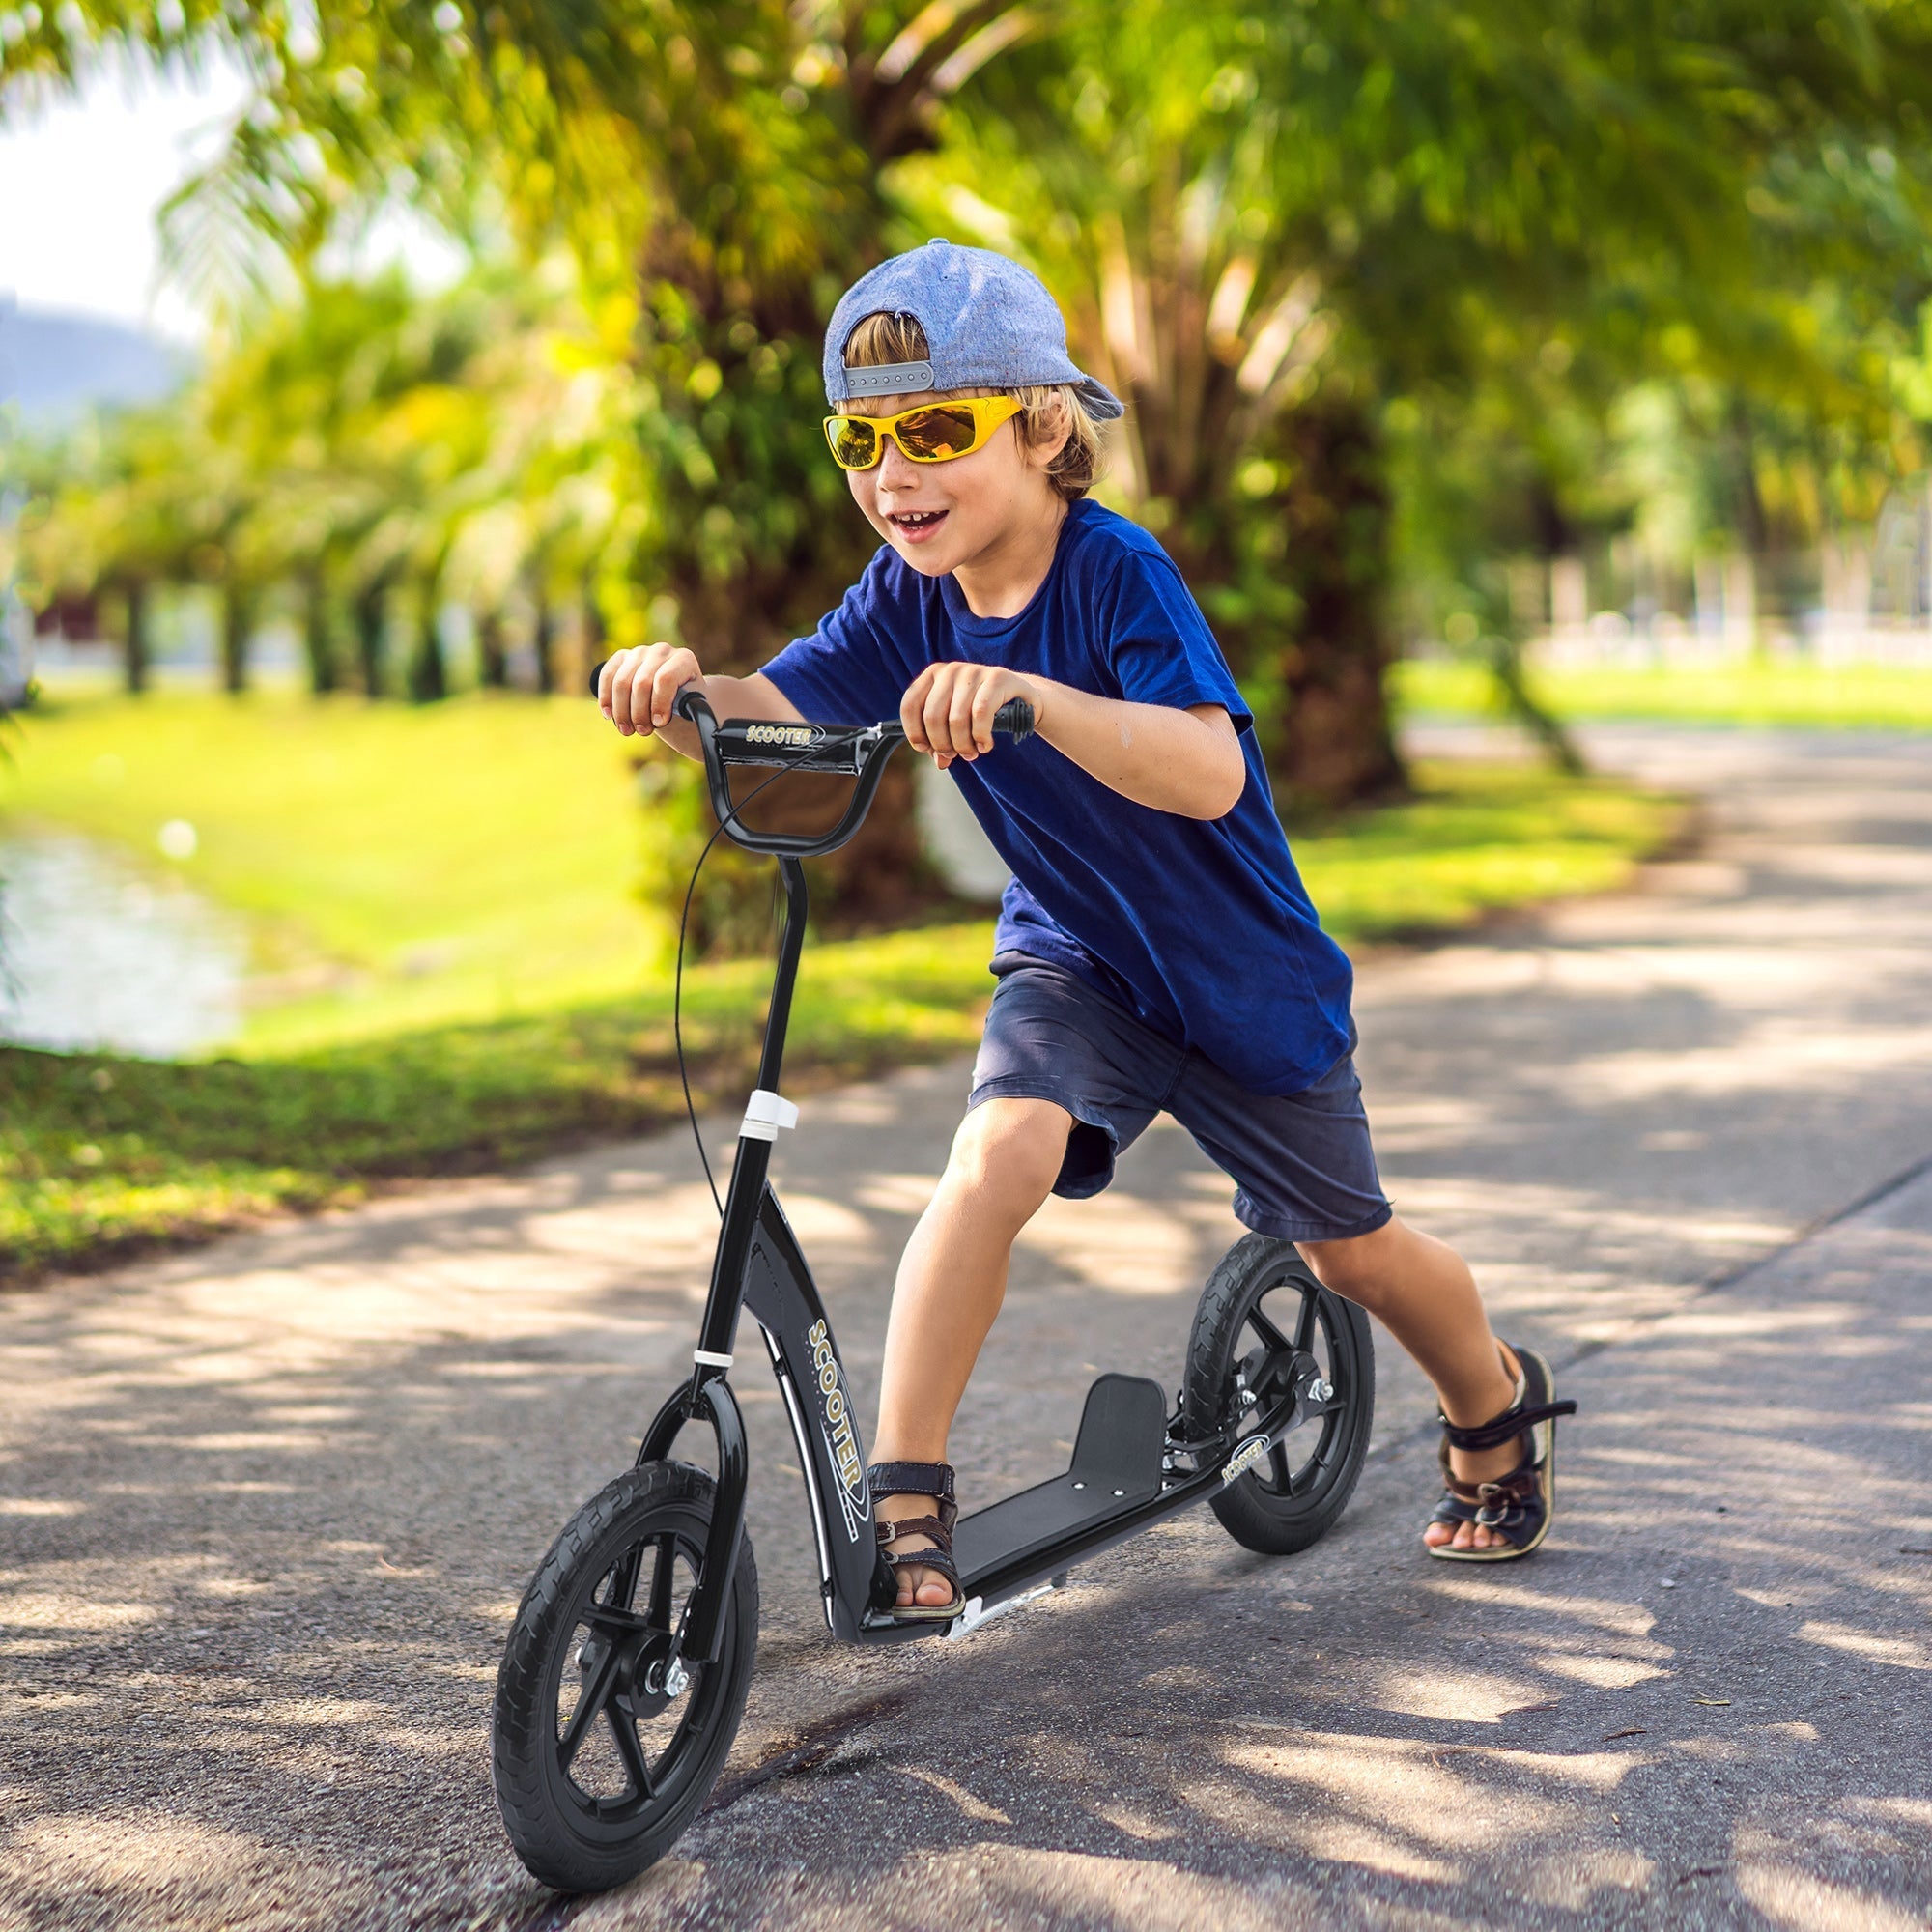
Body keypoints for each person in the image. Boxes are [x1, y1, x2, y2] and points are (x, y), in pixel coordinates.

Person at [598, 241, 1574, 1617]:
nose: (895, 476)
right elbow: (787, 708)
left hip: (1243, 983)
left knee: (1347, 1253)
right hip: (1075, 960)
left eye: (936, 431)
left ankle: (1491, 1401)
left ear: (1044, 428)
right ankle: (907, 1499)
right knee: (993, 1154)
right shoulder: (909, 593)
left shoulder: (1114, 574)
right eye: (860, 442)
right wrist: (687, 686)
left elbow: (1208, 767)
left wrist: (1032, 701)